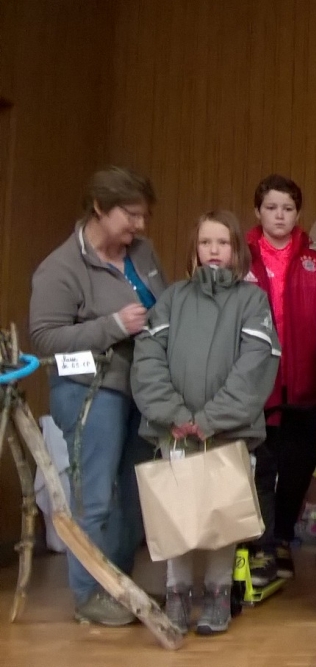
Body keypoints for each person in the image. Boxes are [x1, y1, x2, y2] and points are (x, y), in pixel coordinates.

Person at [29, 166, 169, 626]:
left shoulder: (142, 252)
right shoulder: (61, 267)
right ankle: (89, 593)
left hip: (141, 388)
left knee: (132, 492)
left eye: (143, 216)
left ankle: (119, 585)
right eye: (130, 215)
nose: (139, 226)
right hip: (90, 390)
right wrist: (112, 326)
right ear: (98, 208)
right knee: (94, 495)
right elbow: (45, 337)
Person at [131, 210, 279, 635]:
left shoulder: (252, 301)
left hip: (227, 433)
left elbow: (255, 366)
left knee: (222, 516)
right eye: (205, 242)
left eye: (223, 243)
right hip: (174, 434)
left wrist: (211, 418)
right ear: (194, 249)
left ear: (237, 250)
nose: (214, 250)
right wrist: (175, 415)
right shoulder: (172, 299)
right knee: (175, 515)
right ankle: (177, 595)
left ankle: (217, 595)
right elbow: (147, 361)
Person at [245, 173, 316, 584]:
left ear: (298, 213)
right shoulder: (242, 259)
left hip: (305, 384)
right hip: (256, 385)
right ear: (258, 212)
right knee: (260, 469)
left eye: (287, 208)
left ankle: (282, 537)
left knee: (298, 469)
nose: (279, 215)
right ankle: (262, 545)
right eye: (271, 207)